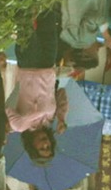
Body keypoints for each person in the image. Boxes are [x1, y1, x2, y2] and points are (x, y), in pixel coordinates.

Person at [6, 17, 69, 161]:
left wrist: (32, 116)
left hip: (28, 65)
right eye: (49, 147)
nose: (46, 144)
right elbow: (61, 93)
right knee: (48, 18)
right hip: (47, 65)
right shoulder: (50, 119)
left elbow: (7, 107)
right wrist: (61, 118)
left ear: (32, 146)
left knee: (24, 21)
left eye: (42, 148)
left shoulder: (19, 126)